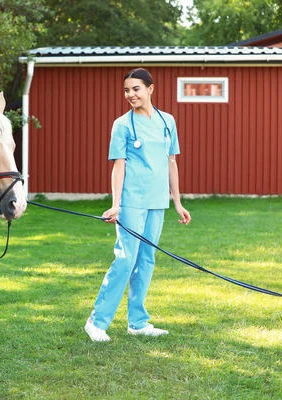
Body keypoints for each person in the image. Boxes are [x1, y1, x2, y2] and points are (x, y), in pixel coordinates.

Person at [84, 68, 191, 342]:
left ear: (150, 89)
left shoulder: (168, 121)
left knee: (146, 260)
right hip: (131, 201)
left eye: (136, 89)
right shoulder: (122, 125)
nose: (130, 95)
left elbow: (171, 163)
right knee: (125, 259)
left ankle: (138, 322)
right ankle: (97, 322)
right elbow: (118, 166)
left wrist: (177, 202)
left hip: (157, 202)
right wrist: (116, 204)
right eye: (126, 90)